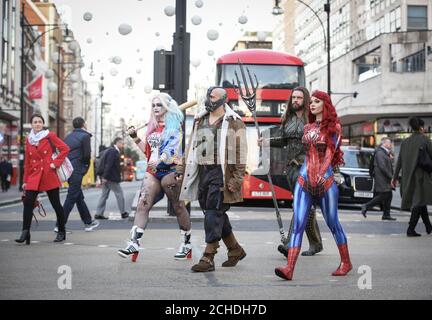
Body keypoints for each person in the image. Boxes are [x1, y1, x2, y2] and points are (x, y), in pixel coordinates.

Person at [275, 90, 352, 280]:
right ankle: (289, 268)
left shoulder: (334, 127)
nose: (312, 104)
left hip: (324, 181)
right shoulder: (307, 127)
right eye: (312, 102)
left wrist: (321, 172)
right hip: (304, 179)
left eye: (316, 101)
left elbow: (330, 153)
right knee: (299, 223)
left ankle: (346, 262)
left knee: (333, 222)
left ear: (324, 104)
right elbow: (306, 153)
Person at [177, 86, 247, 272]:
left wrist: (237, 179)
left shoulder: (234, 122)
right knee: (214, 213)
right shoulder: (200, 119)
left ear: (223, 100)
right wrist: (181, 169)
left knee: (213, 213)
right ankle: (235, 249)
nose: (209, 99)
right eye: (208, 95)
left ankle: (208, 257)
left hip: (221, 173)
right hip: (202, 172)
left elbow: (240, 153)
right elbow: (191, 146)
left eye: (213, 96)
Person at [117, 93, 193, 261]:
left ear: (166, 107)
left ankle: (186, 244)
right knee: (142, 204)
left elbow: (170, 152)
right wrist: (135, 137)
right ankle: (133, 243)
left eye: (159, 105)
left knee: (178, 207)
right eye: (153, 105)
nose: (156, 108)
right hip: (153, 171)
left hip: (171, 170)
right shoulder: (152, 128)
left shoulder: (174, 127)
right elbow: (148, 152)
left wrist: (159, 162)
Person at [259, 87, 323, 257]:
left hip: (309, 167)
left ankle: (290, 245)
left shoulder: (313, 118)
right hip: (291, 168)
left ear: (306, 99)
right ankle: (316, 243)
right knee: (306, 206)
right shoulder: (288, 118)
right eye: (293, 97)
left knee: (301, 205)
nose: (295, 100)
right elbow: (283, 140)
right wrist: (267, 141)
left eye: (299, 97)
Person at [15, 114, 70, 244]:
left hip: (48, 174)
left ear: (43, 124)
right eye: (35, 122)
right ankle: (25, 232)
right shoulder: (29, 139)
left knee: (56, 205)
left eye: (40, 122)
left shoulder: (49, 135)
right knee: (28, 203)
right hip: (34, 176)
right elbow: (27, 162)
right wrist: (25, 181)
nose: (38, 124)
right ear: (32, 124)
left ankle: (61, 231)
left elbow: (65, 149)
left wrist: (55, 163)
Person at [391, 117, 432, 236]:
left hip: (407, 178)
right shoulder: (425, 140)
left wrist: (394, 178)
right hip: (421, 178)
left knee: (420, 201)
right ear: (420, 128)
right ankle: (411, 229)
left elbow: (399, 162)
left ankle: (429, 226)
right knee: (418, 202)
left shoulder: (405, 142)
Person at [61, 117, 99, 232]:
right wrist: (85, 168)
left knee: (79, 197)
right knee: (71, 197)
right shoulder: (85, 136)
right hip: (77, 169)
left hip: (68, 169)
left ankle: (88, 221)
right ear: (83, 124)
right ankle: (59, 225)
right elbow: (87, 155)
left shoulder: (67, 137)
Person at [361, 137, 396, 220]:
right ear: (384, 143)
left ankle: (386, 214)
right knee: (384, 195)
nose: (390, 144)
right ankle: (366, 205)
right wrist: (391, 177)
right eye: (389, 143)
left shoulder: (385, 153)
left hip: (384, 178)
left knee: (389, 195)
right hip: (382, 178)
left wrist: (390, 159)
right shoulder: (380, 153)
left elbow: (386, 164)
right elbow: (382, 166)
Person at [94, 137, 129, 220]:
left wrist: (104, 177)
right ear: (117, 142)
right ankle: (123, 213)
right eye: (122, 143)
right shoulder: (113, 151)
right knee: (119, 194)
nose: (122, 145)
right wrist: (105, 177)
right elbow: (109, 164)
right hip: (111, 177)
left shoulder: (111, 150)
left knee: (104, 195)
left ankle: (98, 213)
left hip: (107, 177)